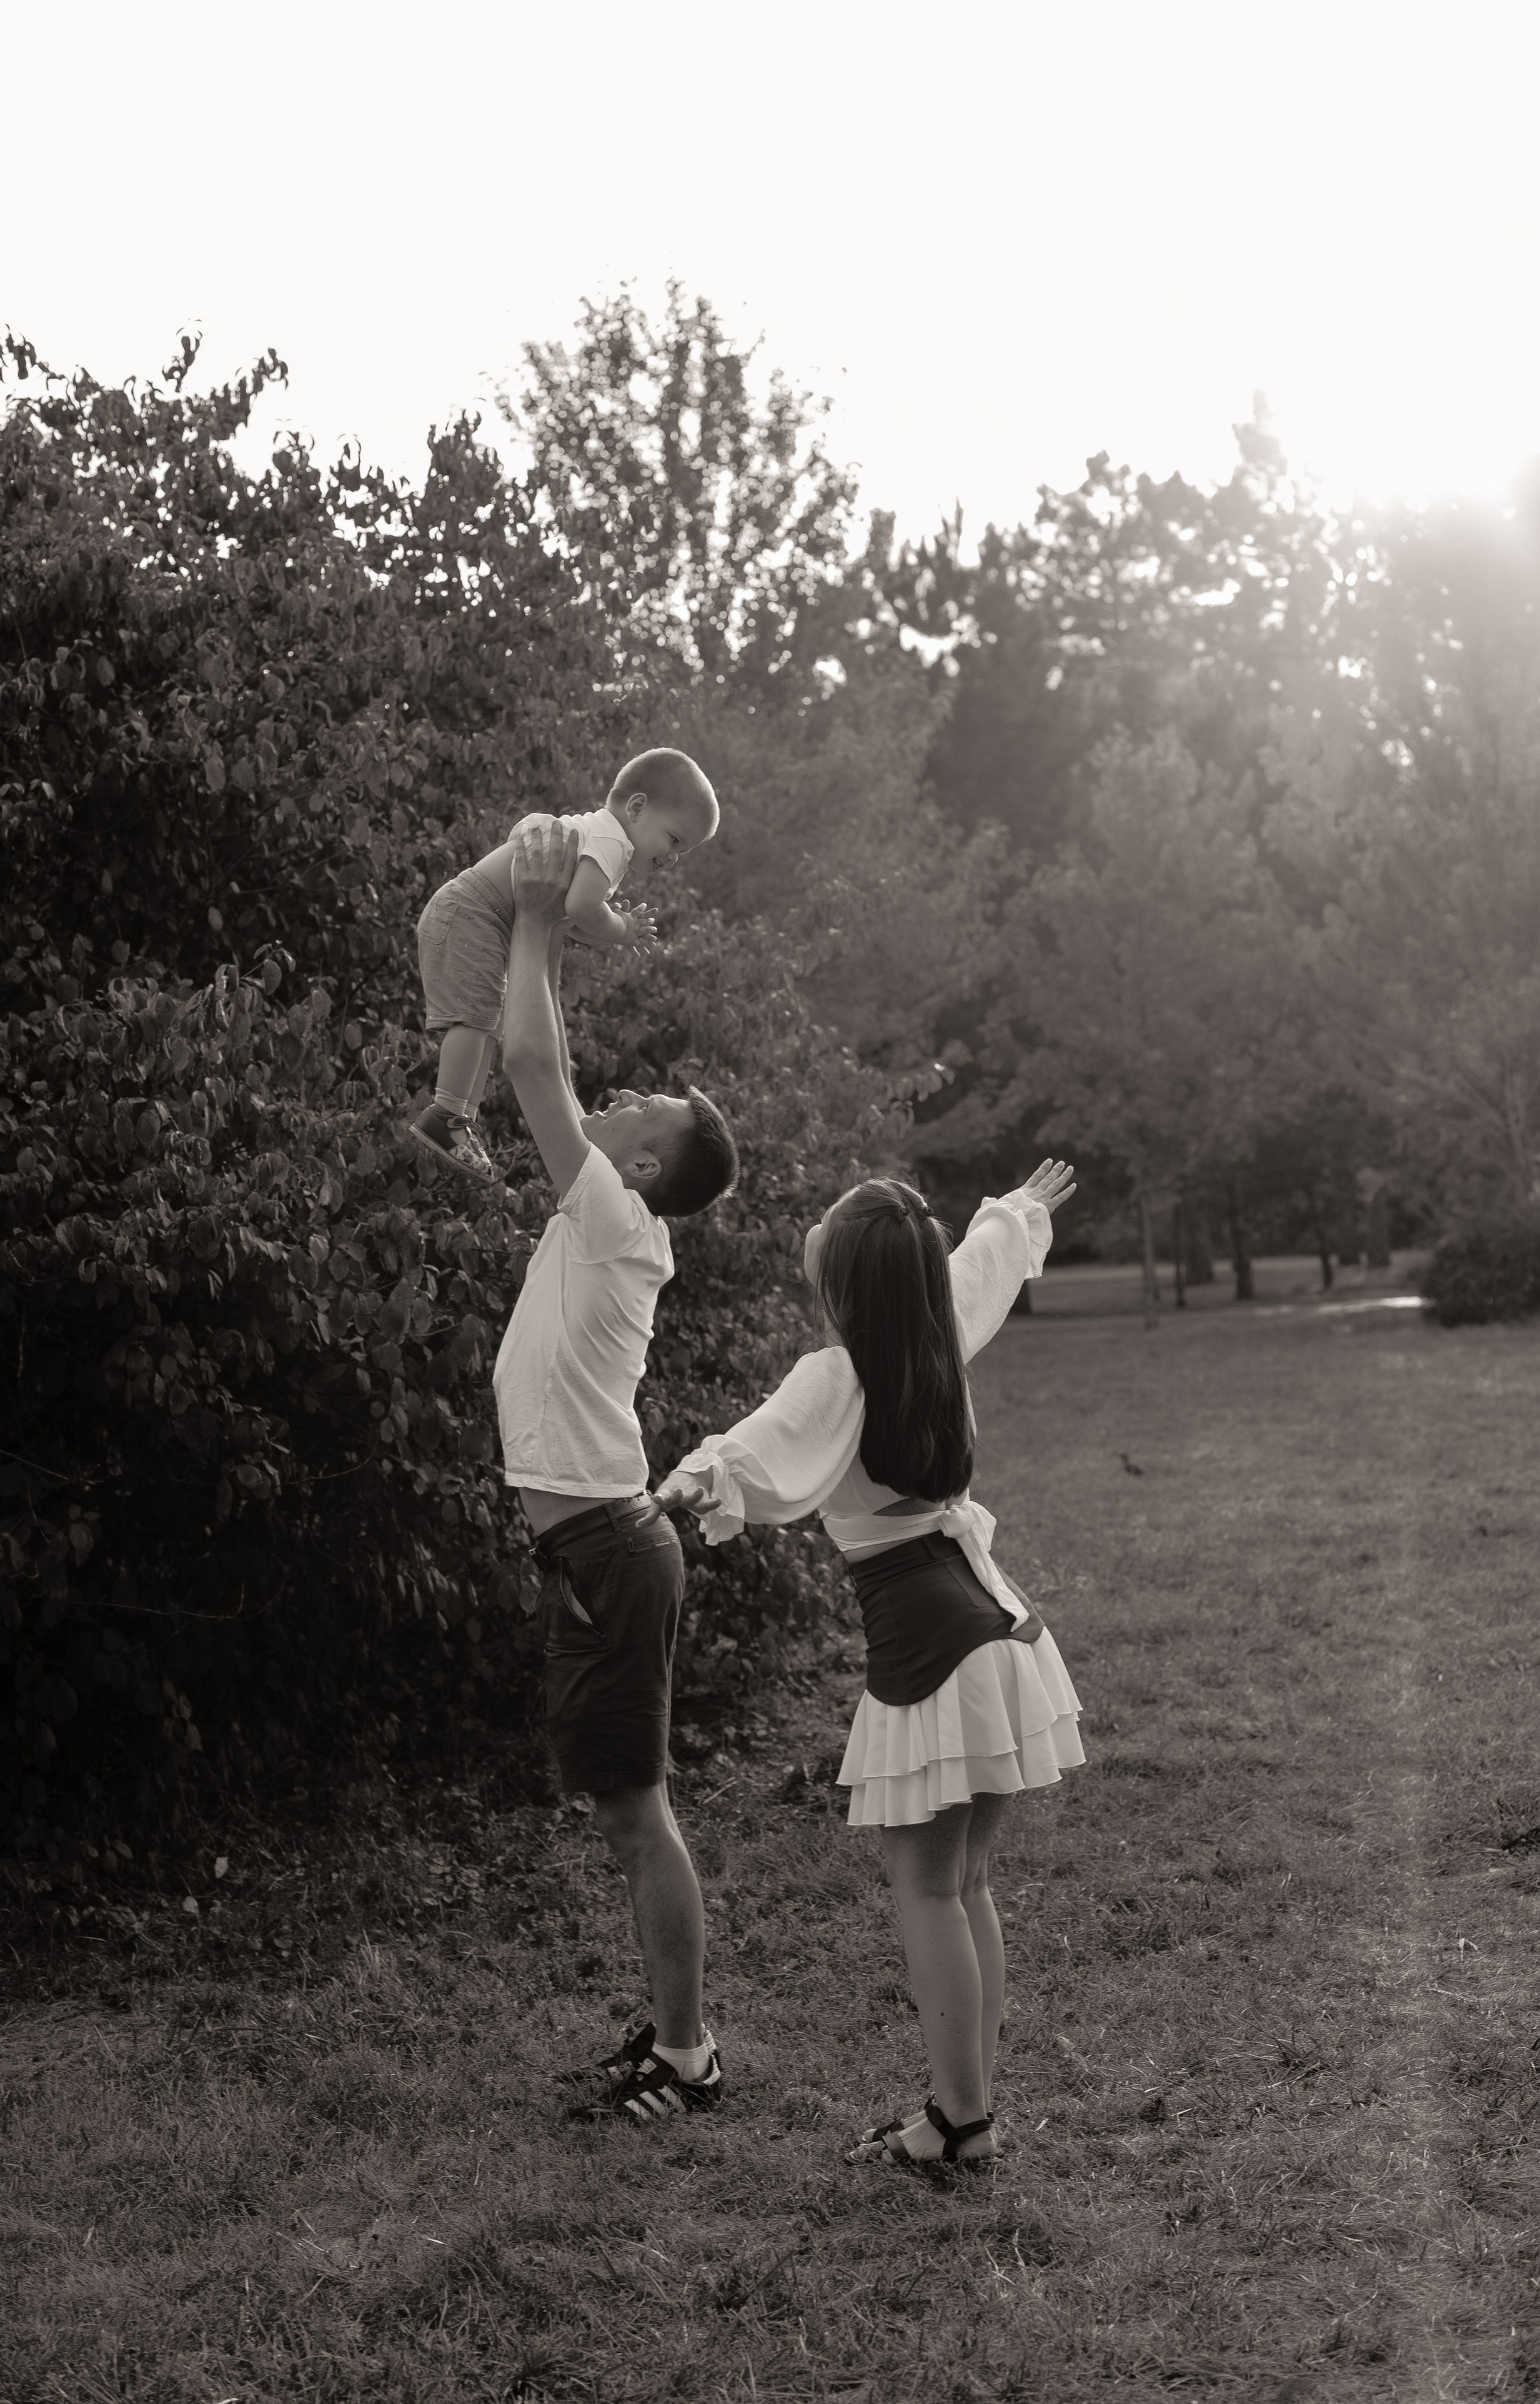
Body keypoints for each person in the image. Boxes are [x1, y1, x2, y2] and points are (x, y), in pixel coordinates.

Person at [656, 1165, 1083, 2168]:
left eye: (827, 1224)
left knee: (929, 1888)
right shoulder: (934, 1342)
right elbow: (973, 1274)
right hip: (999, 1631)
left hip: (937, 1649)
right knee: (964, 1883)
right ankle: (967, 2114)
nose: (813, 1228)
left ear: (844, 1277)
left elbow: (757, 1446)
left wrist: (682, 1485)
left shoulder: (838, 1373)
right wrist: (1016, 1217)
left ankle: (959, 2122)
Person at [492, 818, 738, 2127]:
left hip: (603, 1547)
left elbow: (536, 1060)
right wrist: (539, 932)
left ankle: (687, 2059)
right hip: (597, 1545)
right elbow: (549, 1058)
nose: (620, 1089)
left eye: (640, 1105)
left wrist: (539, 912)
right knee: (626, 1811)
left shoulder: (613, 1211)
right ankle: (674, 2034)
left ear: (639, 1163)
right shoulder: (614, 1212)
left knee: (638, 1814)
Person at [410, 747, 720, 1184]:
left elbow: (570, 923)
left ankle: (462, 1119)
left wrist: (613, 930)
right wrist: (622, 929)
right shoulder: (613, 843)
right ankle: (445, 1113)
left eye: (682, 851)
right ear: (637, 808)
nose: (672, 858)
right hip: (475, 912)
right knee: (476, 1022)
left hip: (477, 916)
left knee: (489, 1025)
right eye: (673, 840)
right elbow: (581, 907)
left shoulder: (604, 843)